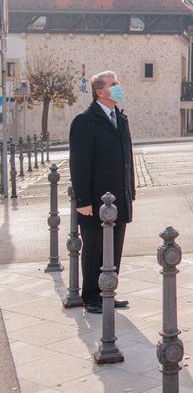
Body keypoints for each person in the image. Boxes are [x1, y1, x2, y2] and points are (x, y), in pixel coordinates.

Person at [69, 71, 135, 314]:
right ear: (100, 91)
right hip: (96, 200)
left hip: (119, 198)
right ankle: (91, 296)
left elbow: (127, 158)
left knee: (114, 249)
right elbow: (79, 163)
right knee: (94, 249)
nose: (118, 87)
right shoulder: (85, 121)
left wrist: (130, 191)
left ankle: (108, 291)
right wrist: (83, 200)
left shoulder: (120, 118)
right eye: (113, 84)